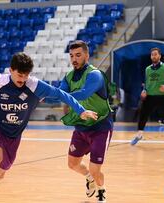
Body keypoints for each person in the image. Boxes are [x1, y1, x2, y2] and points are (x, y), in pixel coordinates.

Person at [0, 52, 98, 203]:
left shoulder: (35, 86)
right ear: (11, 70)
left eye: (26, 75)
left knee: (0, 174)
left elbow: (61, 94)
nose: (22, 79)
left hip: (14, 135)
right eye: (19, 75)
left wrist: (81, 110)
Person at [46, 40, 113, 202]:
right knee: (73, 164)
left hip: (100, 127)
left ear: (87, 55)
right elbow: (59, 92)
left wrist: (57, 96)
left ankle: (101, 194)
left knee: (95, 168)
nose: (74, 59)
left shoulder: (95, 75)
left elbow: (83, 94)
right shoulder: (69, 77)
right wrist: (43, 96)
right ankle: (89, 179)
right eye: (71, 56)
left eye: (78, 55)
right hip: (81, 127)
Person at [131, 47, 164, 149]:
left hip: (162, 97)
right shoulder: (147, 69)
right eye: (152, 54)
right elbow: (147, 83)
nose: (154, 56)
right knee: (142, 116)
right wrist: (144, 90)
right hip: (150, 97)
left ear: (160, 56)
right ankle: (139, 135)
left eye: (156, 54)